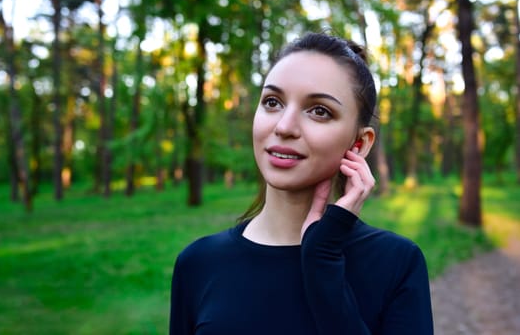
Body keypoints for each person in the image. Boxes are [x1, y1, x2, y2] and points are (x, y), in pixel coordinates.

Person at [169, 32, 434, 335]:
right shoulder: (197, 263)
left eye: (319, 111)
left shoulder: (397, 263)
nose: (284, 127)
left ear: (359, 144)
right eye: (272, 102)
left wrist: (323, 264)